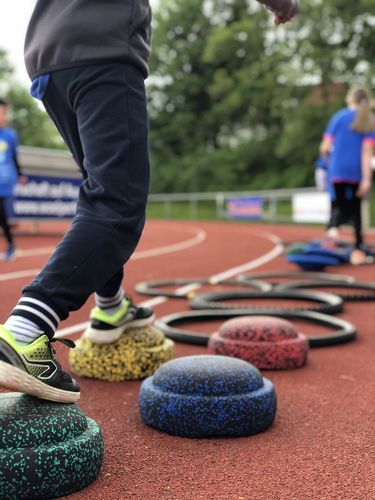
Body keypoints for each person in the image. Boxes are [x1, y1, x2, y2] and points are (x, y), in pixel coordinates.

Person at [0, 0, 298, 404]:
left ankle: (109, 306)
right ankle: (25, 330)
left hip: (48, 55)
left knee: (99, 190)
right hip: (101, 47)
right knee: (117, 205)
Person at [320, 86, 375, 264]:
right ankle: (358, 247)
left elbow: (325, 148)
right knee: (356, 211)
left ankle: (332, 232)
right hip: (357, 172)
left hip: (337, 170)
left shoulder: (339, 117)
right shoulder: (368, 120)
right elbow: (367, 153)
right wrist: (366, 179)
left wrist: (329, 163)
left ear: (350, 98)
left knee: (338, 206)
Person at [0, 99, 25, 260]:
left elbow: (15, 157)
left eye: (3, 113)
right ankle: (11, 245)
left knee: (2, 214)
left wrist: (20, 174)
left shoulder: (10, 135)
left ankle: (11, 246)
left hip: (4, 181)